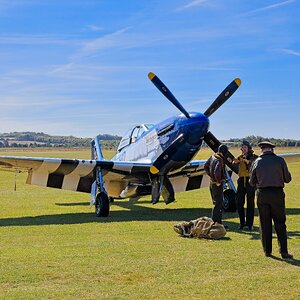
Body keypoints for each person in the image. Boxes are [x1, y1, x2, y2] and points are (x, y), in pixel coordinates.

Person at [249, 141, 293, 259]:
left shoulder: (256, 162)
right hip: (277, 194)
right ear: (272, 149)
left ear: (262, 149)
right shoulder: (280, 160)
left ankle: (267, 251)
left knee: (265, 223)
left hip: (262, 194)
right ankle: (284, 251)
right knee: (280, 223)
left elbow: (251, 181)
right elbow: (287, 179)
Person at [233, 140, 258, 230]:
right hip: (241, 180)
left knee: (250, 203)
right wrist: (235, 161)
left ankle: (250, 224)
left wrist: (246, 161)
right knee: (239, 202)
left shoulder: (254, 157)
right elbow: (234, 162)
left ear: (249, 148)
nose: (243, 149)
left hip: (250, 181)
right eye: (242, 147)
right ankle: (242, 223)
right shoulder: (240, 157)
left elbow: (254, 164)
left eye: (245, 147)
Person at [204, 144, 228, 225]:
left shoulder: (212, 157)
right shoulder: (219, 159)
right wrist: (217, 181)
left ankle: (215, 222)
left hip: (211, 183)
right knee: (218, 203)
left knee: (215, 203)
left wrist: (211, 176)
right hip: (217, 184)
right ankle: (217, 223)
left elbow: (205, 166)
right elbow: (217, 171)